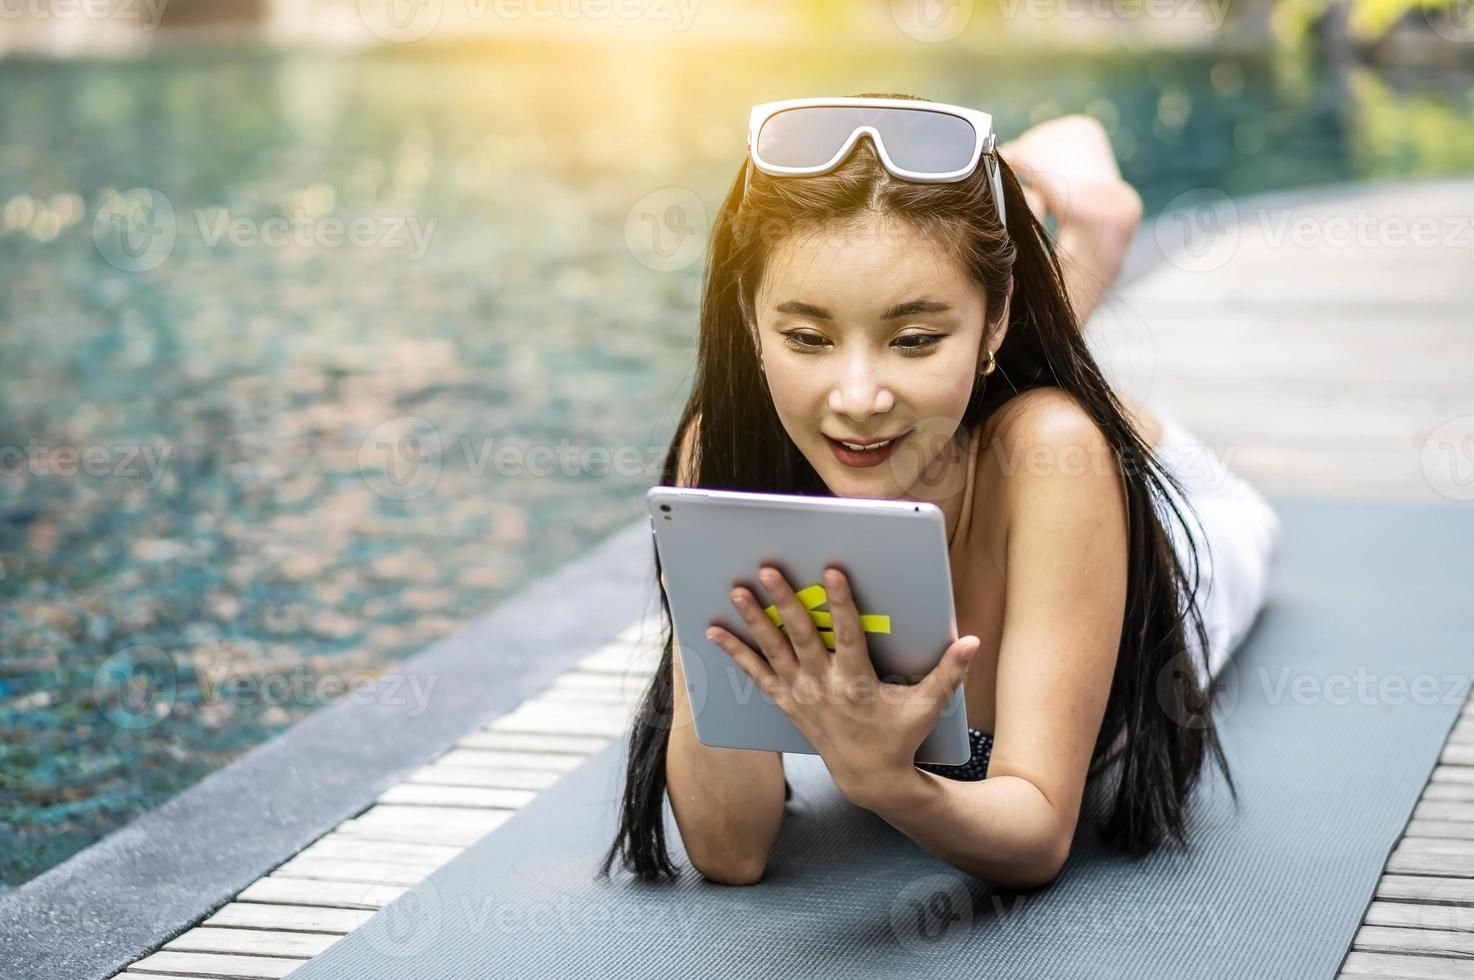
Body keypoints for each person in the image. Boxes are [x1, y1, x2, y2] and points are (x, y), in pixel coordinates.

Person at [597, 93, 1282, 889]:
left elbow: (1035, 834)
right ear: (751, 325)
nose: (856, 394)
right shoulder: (725, 450)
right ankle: (1011, 250)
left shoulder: (1057, 453)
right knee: (923, 408)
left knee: (1039, 414)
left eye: (914, 338)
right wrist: (706, 542)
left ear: (995, 328)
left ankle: (1094, 220)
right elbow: (729, 851)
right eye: (805, 338)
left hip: (1183, 509)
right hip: (949, 426)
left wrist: (888, 784)